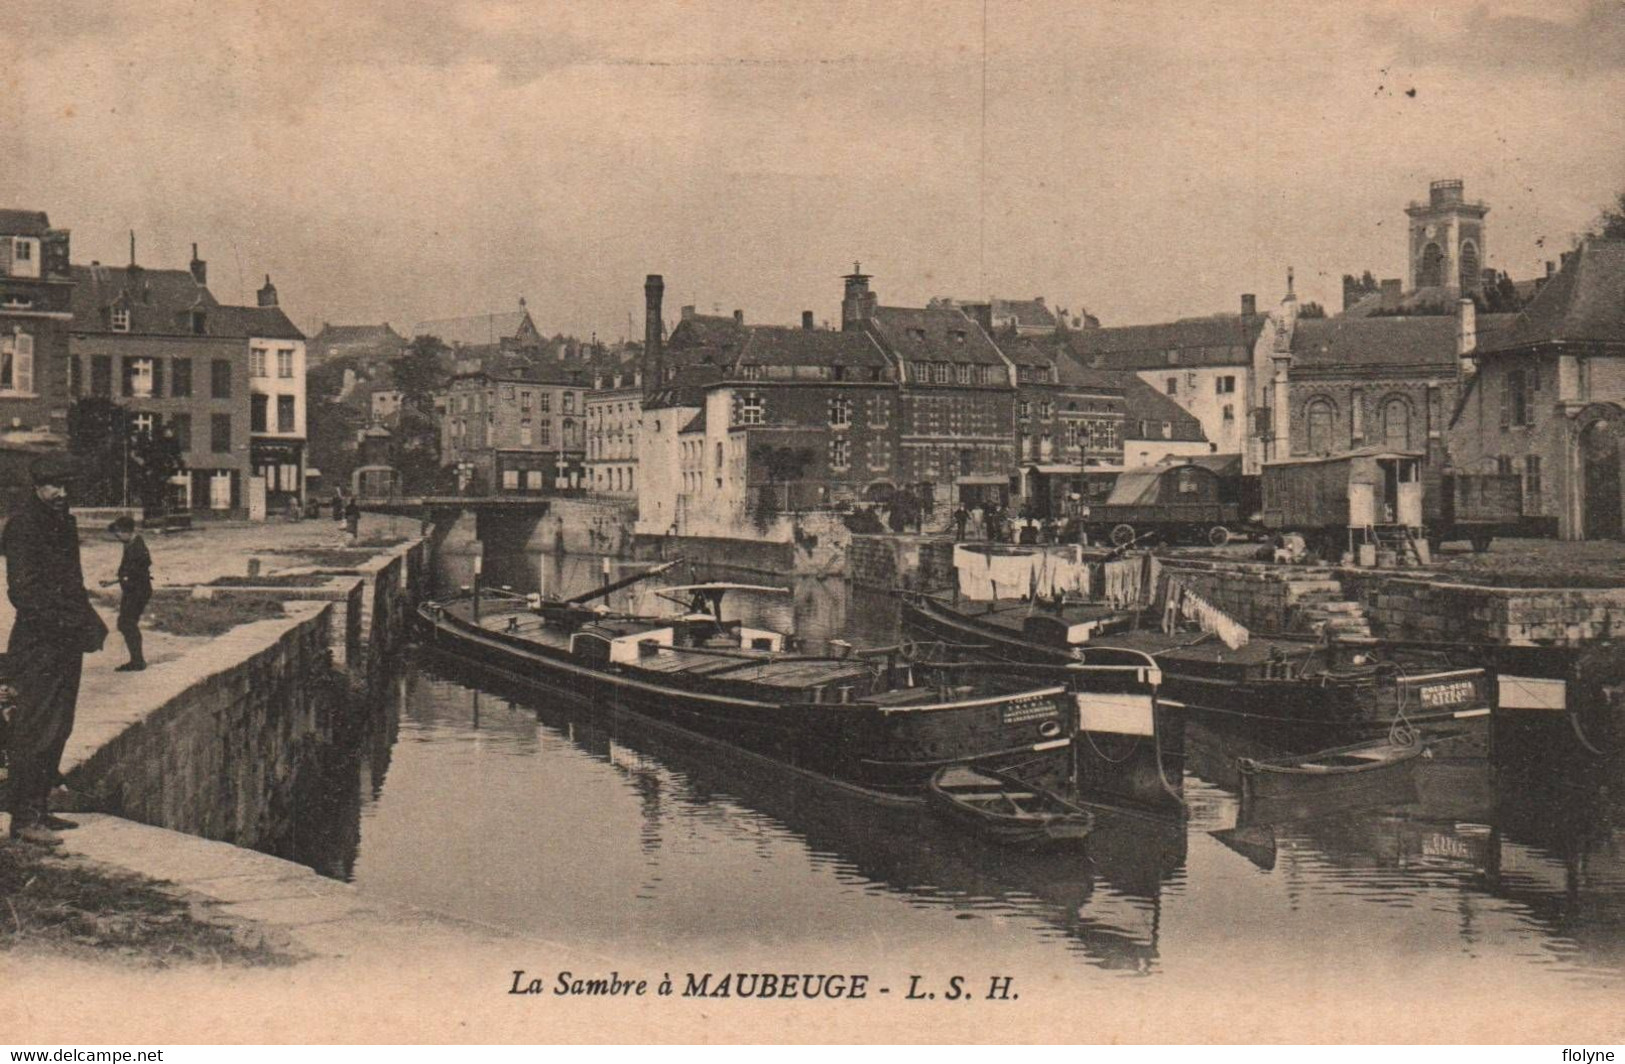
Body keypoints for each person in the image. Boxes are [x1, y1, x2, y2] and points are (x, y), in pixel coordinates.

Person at [3, 453, 107, 846]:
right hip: (38, 644)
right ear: (37, 487)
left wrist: (91, 623)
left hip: (63, 641)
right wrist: (71, 625)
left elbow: (72, 585)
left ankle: (41, 807)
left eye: (66, 486)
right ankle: (24, 818)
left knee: (60, 725)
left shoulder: (61, 523)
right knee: (35, 728)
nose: (62, 493)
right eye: (53, 486)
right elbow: (24, 594)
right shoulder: (25, 526)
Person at [100, 515, 151, 672]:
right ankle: (137, 660)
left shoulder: (137, 547)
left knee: (126, 623)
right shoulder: (131, 543)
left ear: (127, 531)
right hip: (133, 590)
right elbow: (130, 571)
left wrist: (125, 578)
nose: (117, 536)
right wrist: (115, 580)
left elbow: (141, 567)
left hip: (138, 591)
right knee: (126, 623)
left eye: (118, 533)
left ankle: (138, 661)